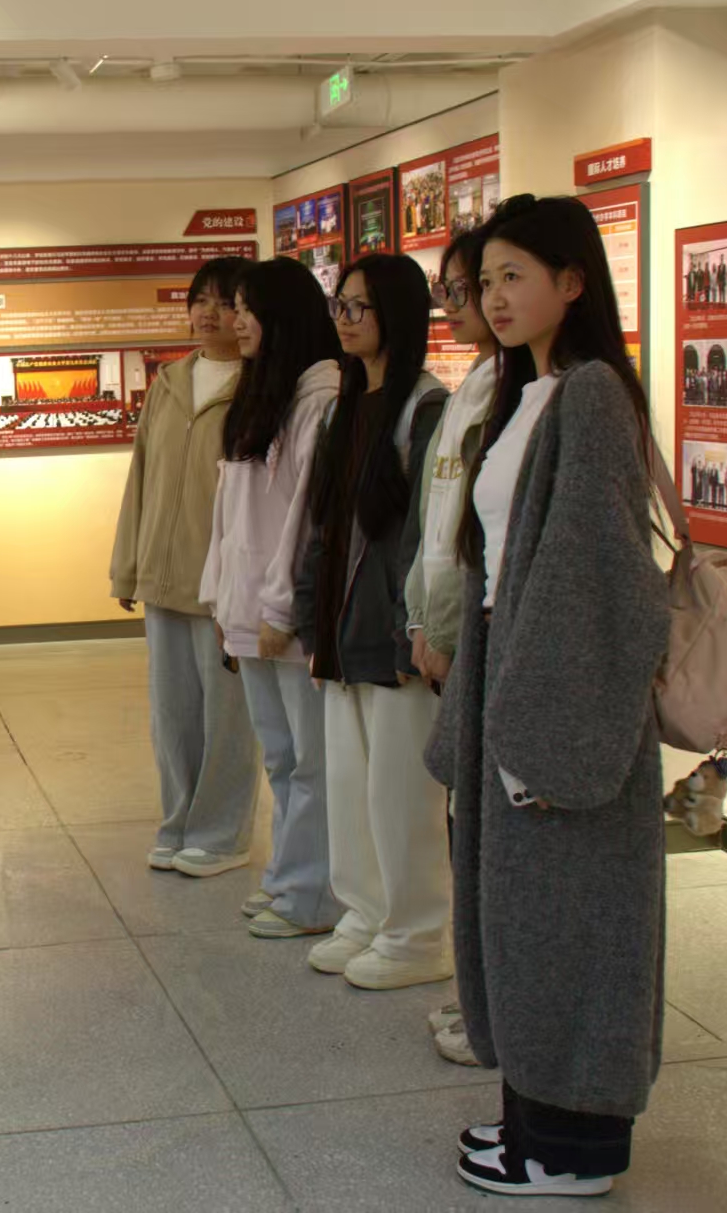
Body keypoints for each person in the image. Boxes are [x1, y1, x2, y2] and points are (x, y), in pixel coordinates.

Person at [425, 195, 671, 1198]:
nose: (493, 297)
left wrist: (540, 733)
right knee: (526, 920)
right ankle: (533, 1116)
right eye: (484, 281)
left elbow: (592, 574)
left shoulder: (592, 395)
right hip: (514, 683)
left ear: (573, 282)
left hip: (557, 706)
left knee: (572, 923)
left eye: (513, 276)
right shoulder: (525, 392)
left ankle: (573, 1148)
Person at [292, 253, 449, 991]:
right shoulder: (343, 406)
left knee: (401, 795)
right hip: (339, 629)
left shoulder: (427, 408)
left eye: (359, 306)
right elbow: (322, 527)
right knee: (351, 787)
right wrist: (309, 618)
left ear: (399, 313)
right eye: (340, 306)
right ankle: (364, 912)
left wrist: (412, 627)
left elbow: (427, 536)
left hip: (392, 635)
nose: (345, 320)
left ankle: (415, 934)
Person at [197, 257, 344, 938]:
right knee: (281, 757)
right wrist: (221, 598)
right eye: (236, 308)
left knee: (311, 761)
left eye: (248, 309)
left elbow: (306, 521)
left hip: (285, 618)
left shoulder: (321, 399)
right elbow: (230, 516)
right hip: (247, 610)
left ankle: (314, 895)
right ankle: (287, 877)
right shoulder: (262, 395)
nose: (236, 321)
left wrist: (282, 608)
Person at [111, 256, 260, 879]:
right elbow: (141, 476)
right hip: (164, 577)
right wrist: (127, 565)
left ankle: (222, 835)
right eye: (200, 300)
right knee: (171, 717)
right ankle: (177, 822)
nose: (208, 313)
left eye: (225, 303)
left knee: (228, 718)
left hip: (224, 585)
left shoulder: (259, 385)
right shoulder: (169, 382)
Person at [405, 224, 501, 1061]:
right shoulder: (474, 386)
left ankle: (494, 1007)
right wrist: (423, 621)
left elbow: (478, 541)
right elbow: (437, 526)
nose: (475, 301)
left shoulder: (539, 392)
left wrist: (441, 626)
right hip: (450, 627)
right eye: (467, 286)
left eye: (500, 280)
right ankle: (479, 997)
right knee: (465, 828)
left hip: (487, 635)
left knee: (490, 838)